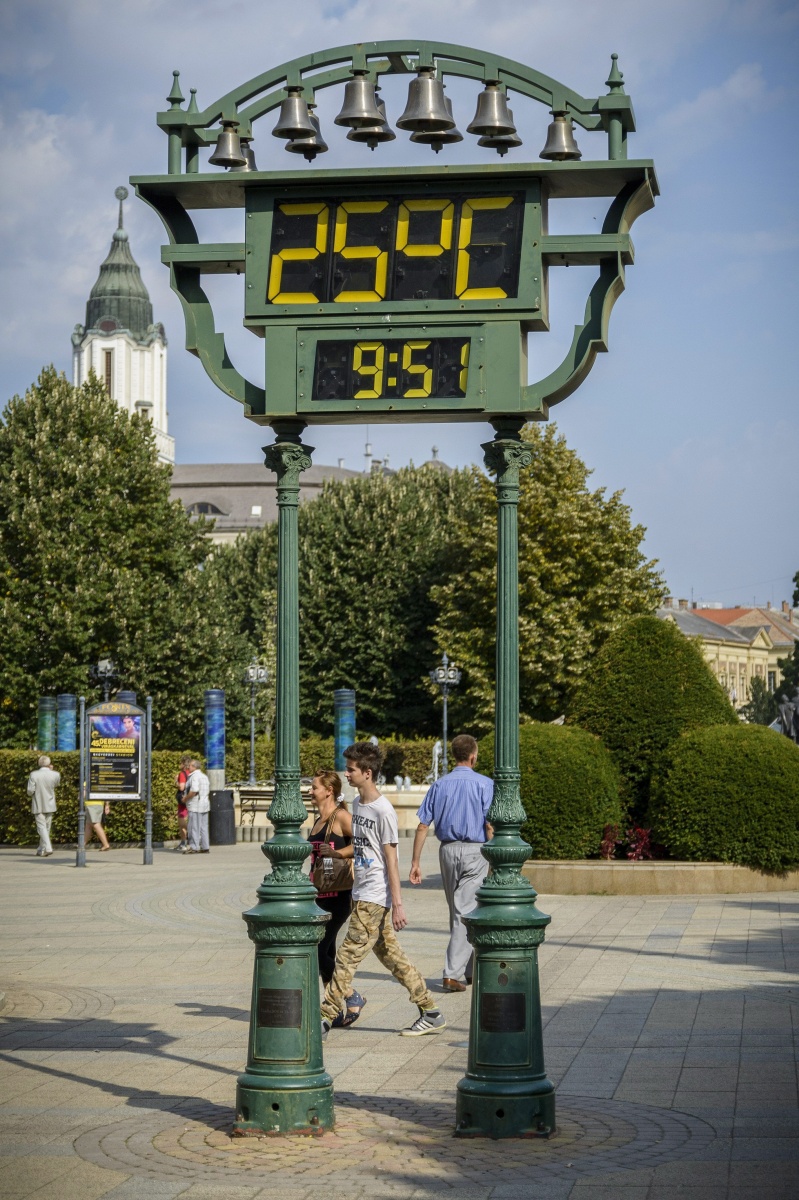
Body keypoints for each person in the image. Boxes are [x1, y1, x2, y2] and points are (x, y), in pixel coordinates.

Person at [320, 741, 446, 1039]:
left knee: (346, 957)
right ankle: (431, 1012)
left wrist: (398, 904)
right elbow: (362, 849)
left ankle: (324, 1018)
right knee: (392, 957)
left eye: (351, 770)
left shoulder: (383, 810)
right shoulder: (357, 804)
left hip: (374, 897)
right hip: (360, 892)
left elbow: (391, 859)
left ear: (367, 773)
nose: (346, 774)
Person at [409, 733, 494, 992]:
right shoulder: (485, 784)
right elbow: (490, 825)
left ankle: (468, 970)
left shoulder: (439, 785)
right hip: (476, 851)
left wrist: (415, 862)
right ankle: (452, 974)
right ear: (473, 757)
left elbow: (423, 825)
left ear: (454, 756)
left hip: (447, 851)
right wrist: (494, 859)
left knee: (458, 910)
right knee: (465, 910)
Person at [308, 769, 353, 984]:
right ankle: (332, 1002)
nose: (310, 791)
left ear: (329, 790)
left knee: (316, 951)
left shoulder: (341, 816)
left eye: (314, 788)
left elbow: (365, 843)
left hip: (338, 896)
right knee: (327, 951)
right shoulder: (318, 820)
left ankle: (349, 993)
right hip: (318, 895)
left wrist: (338, 853)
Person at [27, 755, 61, 857]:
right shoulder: (56, 774)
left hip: (38, 803)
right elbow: (56, 785)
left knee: (42, 827)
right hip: (50, 803)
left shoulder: (34, 774)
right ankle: (41, 849)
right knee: (46, 827)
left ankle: (48, 848)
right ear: (49, 763)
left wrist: (33, 793)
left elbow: (30, 791)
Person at [183, 758, 210, 854]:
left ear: (194, 767)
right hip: (205, 804)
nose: (188, 767)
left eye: (190, 765)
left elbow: (194, 790)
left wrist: (186, 798)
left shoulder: (194, 776)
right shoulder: (204, 776)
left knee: (194, 827)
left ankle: (194, 847)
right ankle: (205, 846)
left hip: (195, 805)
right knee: (203, 827)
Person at [174, 755, 192, 850]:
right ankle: (186, 842)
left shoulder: (182, 774)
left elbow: (181, 787)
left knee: (181, 822)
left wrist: (176, 781)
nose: (179, 764)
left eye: (181, 763)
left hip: (183, 800)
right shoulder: (193, 773)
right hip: (192, 799)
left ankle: (183, 843)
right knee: (191, 819)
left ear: (184, 764)